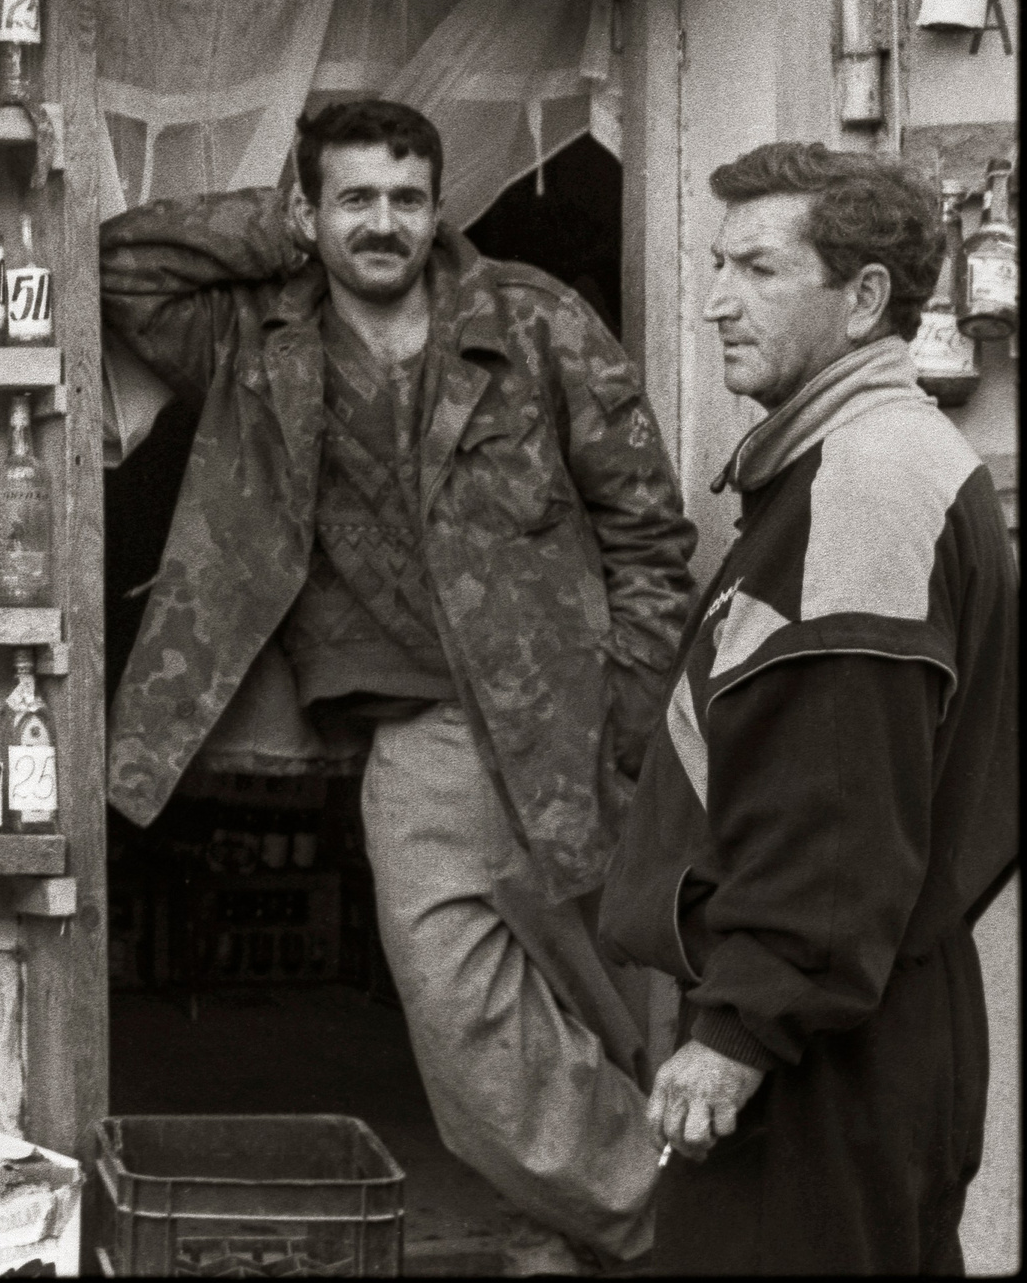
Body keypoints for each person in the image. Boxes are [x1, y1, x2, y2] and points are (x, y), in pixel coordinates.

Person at [101, 100, 695, 1265]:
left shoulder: (530, 320)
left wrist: (622, 699)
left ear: (440, 207)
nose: (385, 224)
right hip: (419, 732)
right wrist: (276, 231)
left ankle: (568, 1234)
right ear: (307, 209)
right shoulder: (257, 334)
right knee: (463, 1010)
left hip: (566, 717)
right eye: (354, 199)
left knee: (601, 1008)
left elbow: (649, 532)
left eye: (408, 199)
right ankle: (679, 1221)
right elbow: (125, 268)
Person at [599, 141, 1018, 1275]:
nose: (715, 303)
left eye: (758, 271)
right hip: (856, 1028)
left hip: (820, 1060)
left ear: (864, 298)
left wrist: (738, 1031)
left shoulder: (864, 489)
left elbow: (835, 809)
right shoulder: (867, 462)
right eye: (715, 265)